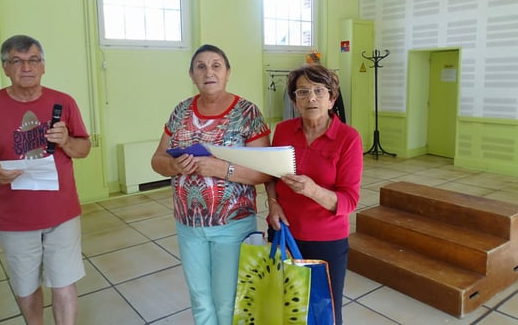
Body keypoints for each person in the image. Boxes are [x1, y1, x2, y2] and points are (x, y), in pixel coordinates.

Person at [0, 34, 91, 325]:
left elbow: (84, 148)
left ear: (43, 66)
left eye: (33, 60)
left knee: (64, 281)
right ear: (5, 68)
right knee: (26, 286)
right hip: (15, 216)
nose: (26, 67)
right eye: (16, 61)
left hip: (62, 212)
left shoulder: (63, 102)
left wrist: (66, 142)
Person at [151, 44, 272, 325]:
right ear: (191, 75)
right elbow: (157, 160)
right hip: (188, 224)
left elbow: (265, 172)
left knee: (228, 300)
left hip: (232, 225)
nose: (209, 72)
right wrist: (173, 166)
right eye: (201, 66)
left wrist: (221, 169)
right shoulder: (181, 112)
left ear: (228, 72)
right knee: (200, 299)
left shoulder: (247, 113)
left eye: (216, 65)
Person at [266, 64, 363, 325]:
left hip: (326, 241)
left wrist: (313, 191)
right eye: (303, 92)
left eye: (319, 91)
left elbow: (350, 201)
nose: (311, 98)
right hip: (284, 232)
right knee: (284, 305)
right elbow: (270, 176)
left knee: (324, 310)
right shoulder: (283, 131)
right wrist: (273, 203)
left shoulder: (348, 138)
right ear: (294, 100)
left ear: (332, 99)